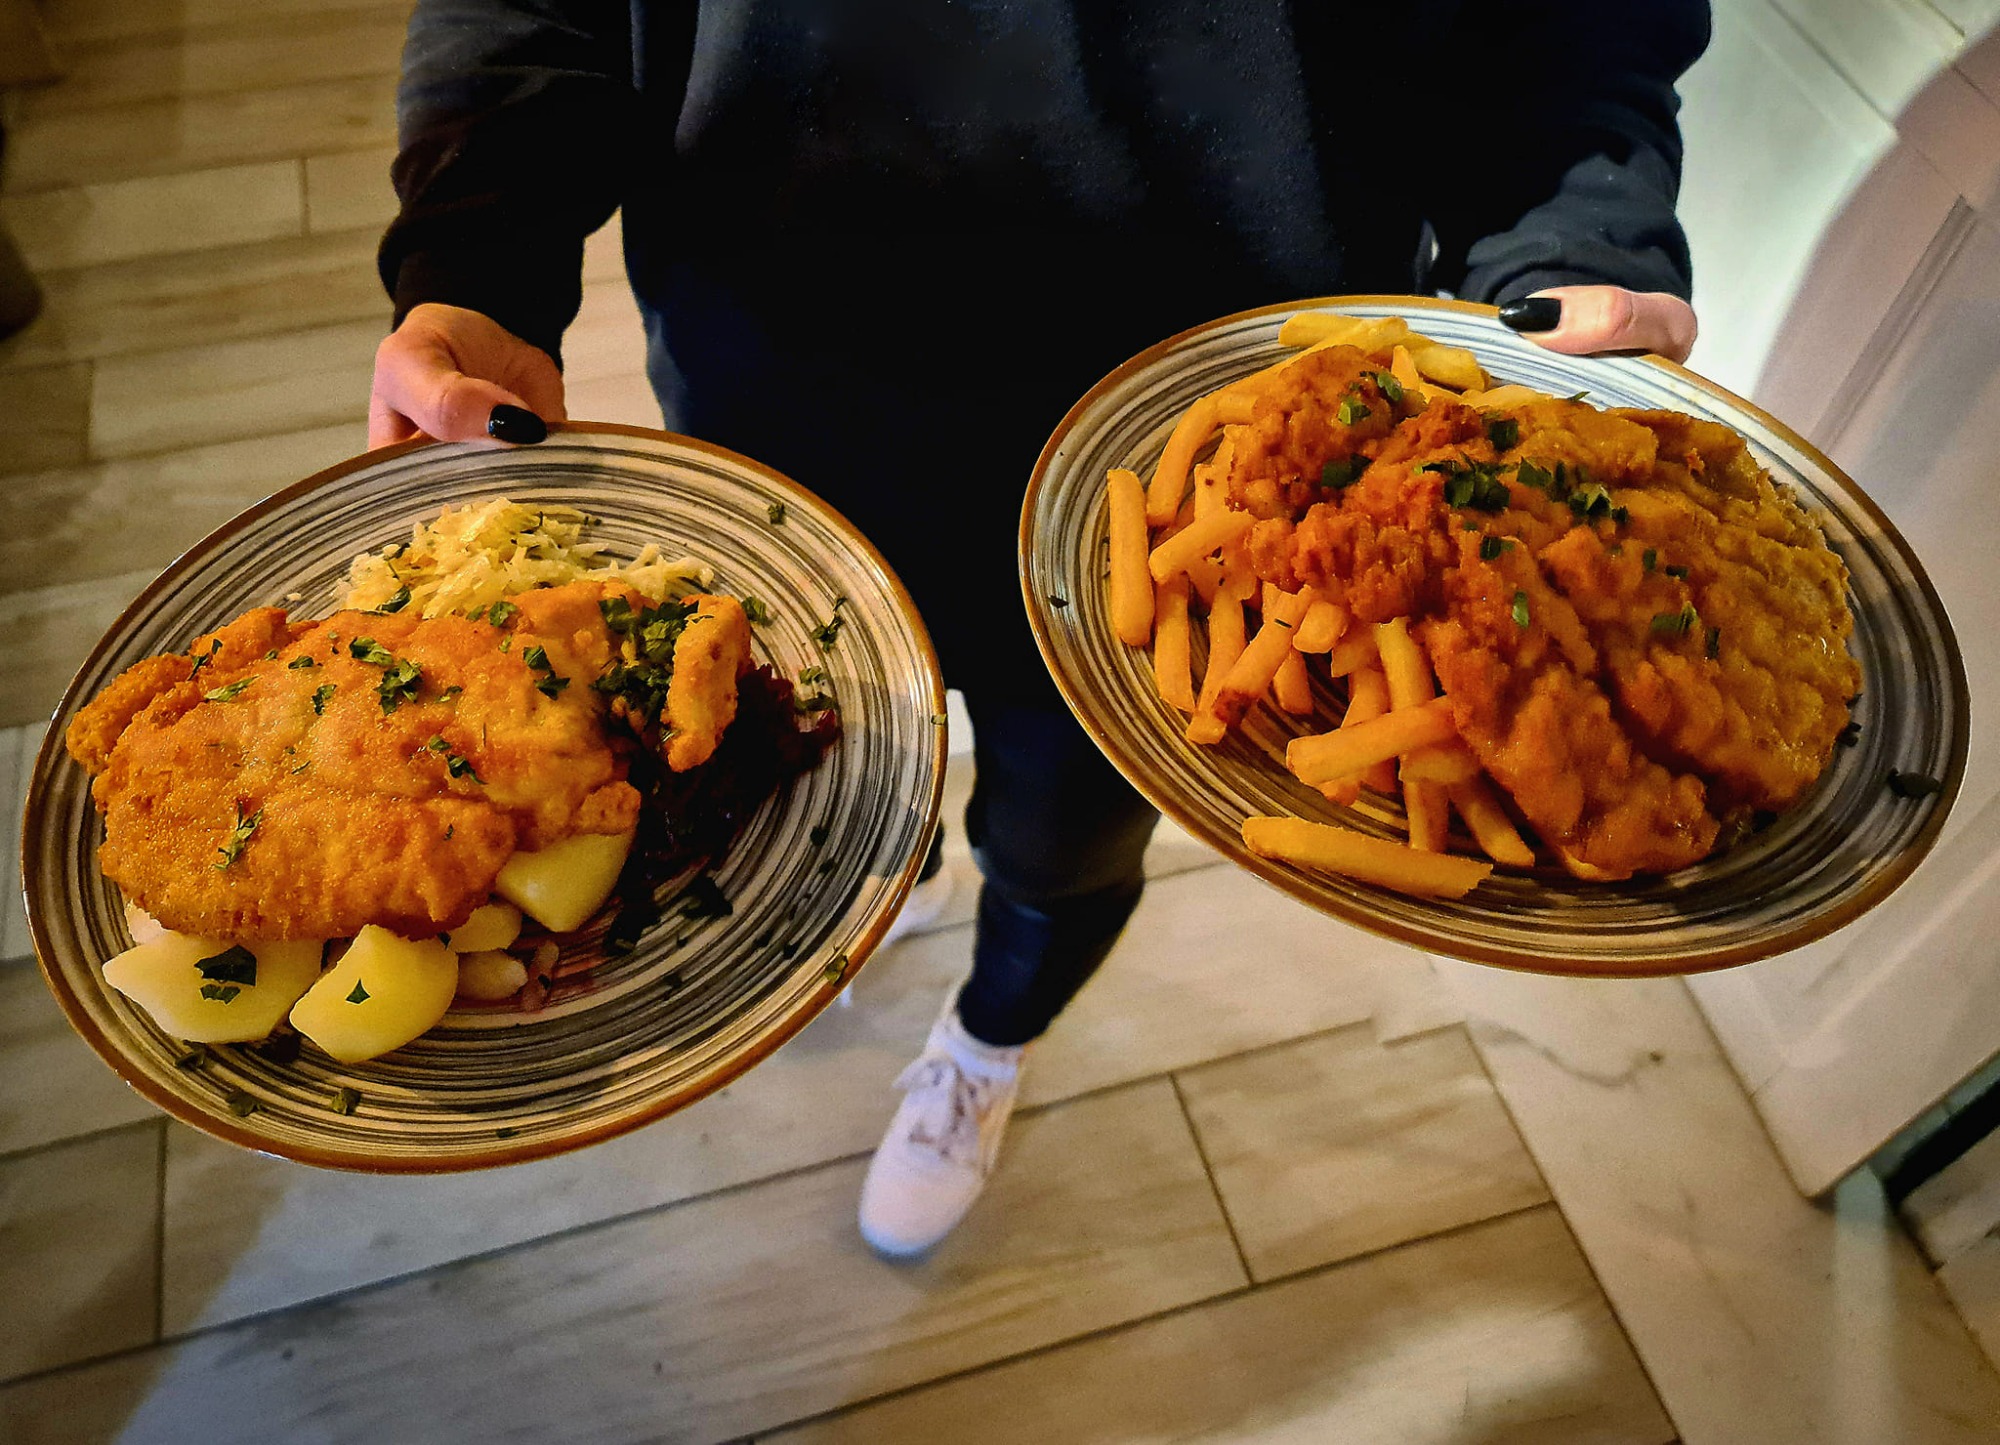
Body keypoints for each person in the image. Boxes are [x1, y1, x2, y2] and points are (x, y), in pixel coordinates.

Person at [367, 0, 1711, 1257]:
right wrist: (477, 256)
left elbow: (1577, 36)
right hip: (780, 393)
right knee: (830, 752)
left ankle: (987, 1040)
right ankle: (899, 875)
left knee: (1061, 844)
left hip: (1221, 483)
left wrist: (1577, 249)